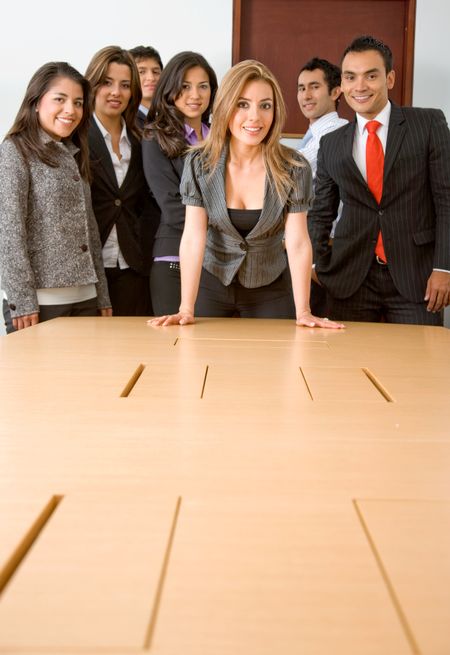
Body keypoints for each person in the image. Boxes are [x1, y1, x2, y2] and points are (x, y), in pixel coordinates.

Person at [149, 60, 344, 329]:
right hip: (211, 283)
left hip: (270, 288)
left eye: (265, 105)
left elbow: (298, 242)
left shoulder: (294, 167)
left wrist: (304, 312)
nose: (255, 117)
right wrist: (185, 307)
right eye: (242, 104)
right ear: (226, 107)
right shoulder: (198, 163)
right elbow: (193, 236)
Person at [308, 35, 450, 324]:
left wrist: (444, 269)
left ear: (390, 78)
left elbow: (446, 201)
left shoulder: (428, 123)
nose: (359, 86)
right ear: (342, 85)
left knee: (416, 365)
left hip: (417, 279)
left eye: (370, 76)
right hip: (350, 279)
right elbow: (322, 212)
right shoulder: (332, 143)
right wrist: (316, 263)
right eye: (350, 77)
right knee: (347, 365)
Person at [0, 61, 111, 334]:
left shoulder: (74, 152)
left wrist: (102, 295)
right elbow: (9, 232)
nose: (70, 110)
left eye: (78, 102)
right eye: (59, 100)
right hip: (40, 304)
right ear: (36, 102)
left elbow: (91, 232)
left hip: (86, 299)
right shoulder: (14, 152)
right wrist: (22, 301)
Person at [142, 51, 218, 315]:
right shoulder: (155, 137)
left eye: (203, 86)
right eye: (185, 87)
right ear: (170, 90)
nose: (195, 95)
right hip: (174, 259)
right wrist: (229, 225)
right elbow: (173, 206)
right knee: (174, 349)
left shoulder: (220, 138)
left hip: (218, 263)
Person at [85, 46, 159, 316]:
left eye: (125, 85)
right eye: (107, 83)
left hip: (134, 266)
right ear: (92, 85)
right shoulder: (75, 137)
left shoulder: (142, 140)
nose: (116, 92)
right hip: (89, 271)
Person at [297, 57, 348, 316]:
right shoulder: (313, 136)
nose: (306, 94)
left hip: (325, 248)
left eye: (314, 86)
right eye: (301, 87)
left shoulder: (336, 133)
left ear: (336, 91)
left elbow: (289, 177)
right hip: (310, 244)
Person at [129, 45, 163, 129]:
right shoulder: (126, 120)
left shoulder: (170, 115)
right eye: (141, 72)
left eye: (155, 72)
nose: (151, 78)